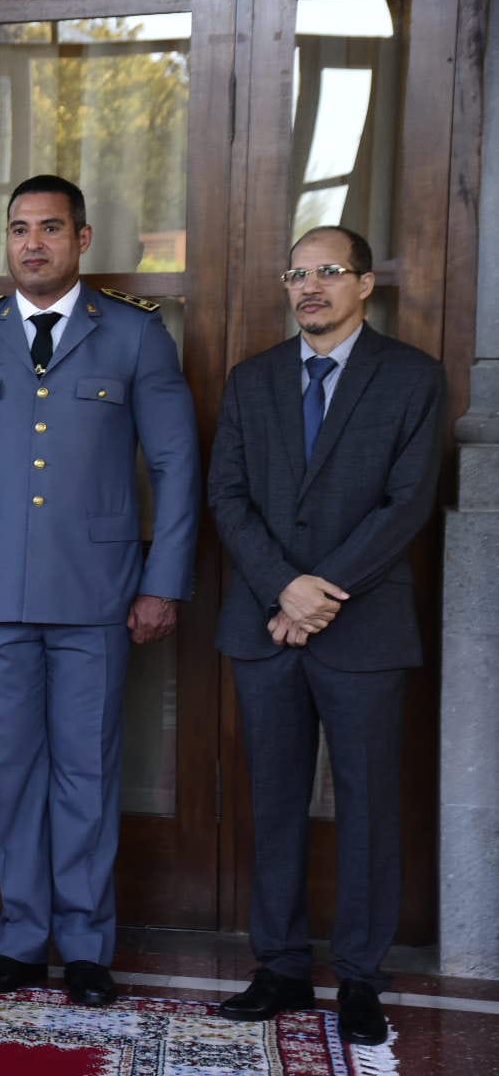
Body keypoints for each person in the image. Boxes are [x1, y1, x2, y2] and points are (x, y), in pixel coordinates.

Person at [0, 175, 200, 1005]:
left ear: (83, 238)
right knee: (7, 772)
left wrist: (162, 582)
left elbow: (176, 468)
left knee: (87, 772)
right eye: (18, 230)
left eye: (49, 228)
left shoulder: (137, 338)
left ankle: (85, 945)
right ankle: (20, 937)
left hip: (99, 595)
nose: (32, 243)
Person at [207, 226, 445, 1046]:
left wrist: (318, 595)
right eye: (298, 274)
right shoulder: (251, 381)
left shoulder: (412, 378)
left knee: (368, 807)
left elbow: (407, 504)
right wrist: (284, 587)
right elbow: (228, 497)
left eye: (329, 273)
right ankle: (277, 967)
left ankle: (360, 979)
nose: (310, 287)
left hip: (363, 633)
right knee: (272, 804)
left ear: (365, 284)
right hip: (266, 628)